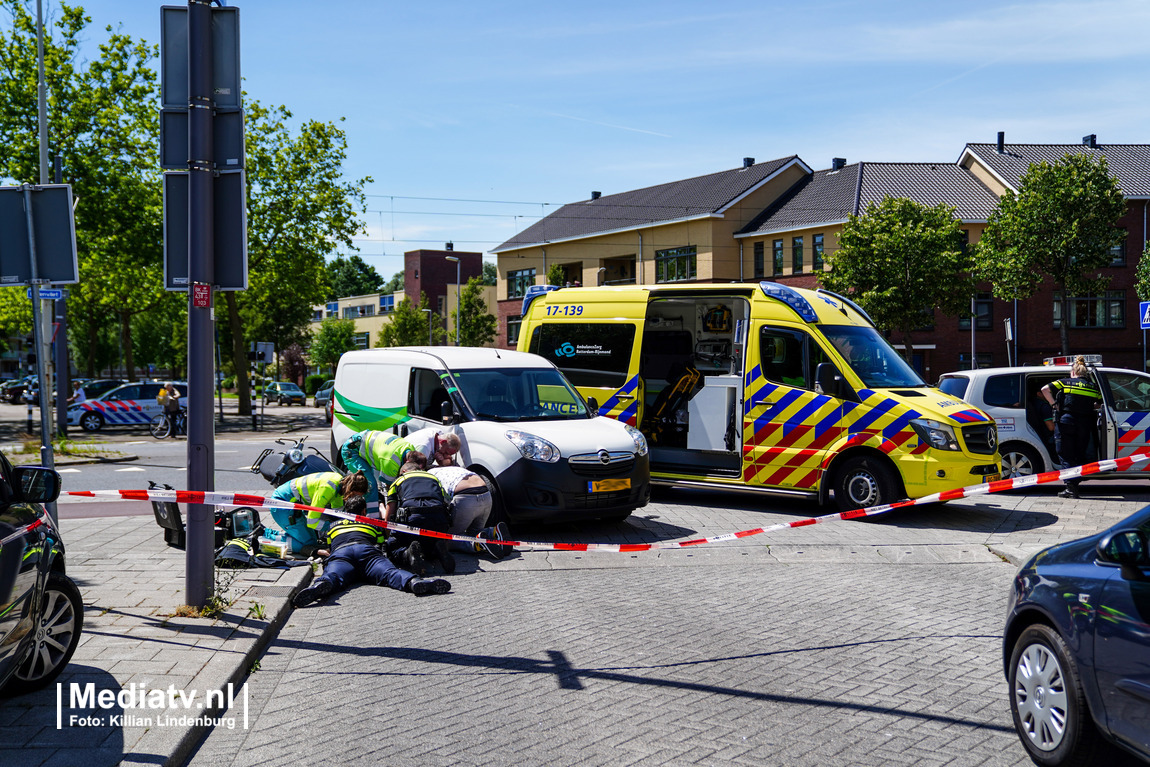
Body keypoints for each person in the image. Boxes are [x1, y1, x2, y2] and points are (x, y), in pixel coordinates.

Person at [291, 495, 450, 607]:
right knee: (389, 573)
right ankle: (414, 582)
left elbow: (330, 546)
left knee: (333, 575)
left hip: (341, 554)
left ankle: (321, 585)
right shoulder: (371, 524)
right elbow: (382, 546)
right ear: (363, 512)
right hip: (366, 552)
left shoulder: (333, 526)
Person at [1042, 356, 1102, 499]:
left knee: (1065, 453)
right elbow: (1098, 404)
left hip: (1067, 422)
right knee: (1078, 454)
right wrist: (1085, 406)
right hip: (1085, 424)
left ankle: (1071, 488)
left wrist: (1053, 404)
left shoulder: (1066, 382)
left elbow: (1044, 389)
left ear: (1073, 372)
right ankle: (1075, 483)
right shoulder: (1093, 386)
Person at [385, 455, 455, 575]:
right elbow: (445, 501)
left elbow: (389, 514)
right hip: (438, 518)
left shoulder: (399, 480)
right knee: (429, 541)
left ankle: (407, 554)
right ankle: (436, 550)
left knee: (392, 549)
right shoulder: (434, 478)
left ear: (404, 471)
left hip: (412, 518)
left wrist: (389, 538)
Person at [270, 471, 369, 555]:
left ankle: (274, 533)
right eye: (354, 496)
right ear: (351, 490)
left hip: (293, 505)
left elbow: (337, 514)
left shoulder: (341, 484)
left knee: (313, 539)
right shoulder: (328, 489)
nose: (353, 499)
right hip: (281, 504)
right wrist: (332, 527)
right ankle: (268, 539)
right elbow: (312, 522)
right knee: (307, 544)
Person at [429, 464, 512, 559]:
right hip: (486, 495)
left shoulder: (430, 475)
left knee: (450, 538)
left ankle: (477, 544)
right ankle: (493, 532)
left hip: (466, 498)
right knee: (475, 531)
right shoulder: (455, 469)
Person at [340, 430, 420, 506]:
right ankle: (372, 516)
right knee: (370, 485)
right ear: (407, 462)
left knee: (373, 485)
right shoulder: (391, 461)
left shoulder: (411, 450)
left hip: (361, 442)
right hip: (352, 450)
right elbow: (390, 488)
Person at [1026, 388, 1056, 459]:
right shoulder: (1045, 407)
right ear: (1039, 394)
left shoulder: (1033, 402)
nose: (1051, 395)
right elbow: (1051, 428)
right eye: (1049, 392)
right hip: (1048, 438)